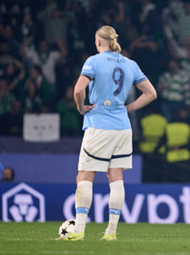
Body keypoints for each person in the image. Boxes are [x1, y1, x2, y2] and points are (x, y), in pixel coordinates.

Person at [57, 25, 157, 241]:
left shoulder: (93, 61)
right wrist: (127, 109)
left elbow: (77, 89)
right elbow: (151, 93)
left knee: (85, 175)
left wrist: (80, 107)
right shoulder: (131, 64)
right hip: (122, 128)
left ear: (99, 41)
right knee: (116, 177)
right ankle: (111, 232)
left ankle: (78, 230)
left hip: (99, 125)